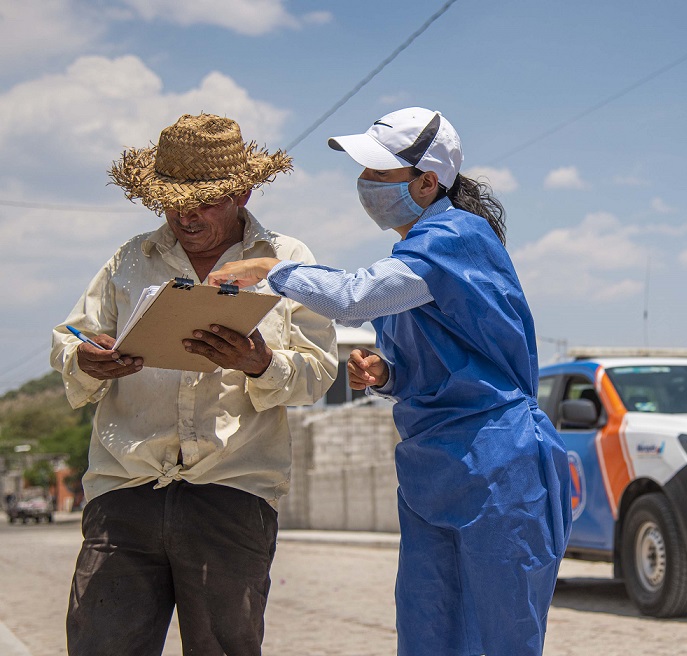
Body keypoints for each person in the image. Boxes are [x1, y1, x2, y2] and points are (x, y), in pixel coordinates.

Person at [208, 107, 572, 656]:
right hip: (433, 467)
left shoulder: (455, 237)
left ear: (427, 183)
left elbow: (354, 297)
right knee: (428, 632)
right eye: (365, 174)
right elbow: (443, 362)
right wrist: (387, 375)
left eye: (380, 174)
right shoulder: (414, 256)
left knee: (503, 638)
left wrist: (268, 271)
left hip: (498, 465)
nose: (366, 186)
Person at [50, 113, 339, 656]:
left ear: (243, 193)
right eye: (173, 198)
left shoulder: (287, 261)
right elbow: (69, 340)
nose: (187, 214)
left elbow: (318, 371)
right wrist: (88, 360)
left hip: (233, 493)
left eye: (206, 201)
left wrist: (260, 363)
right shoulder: (129, 259)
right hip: (124, 489)